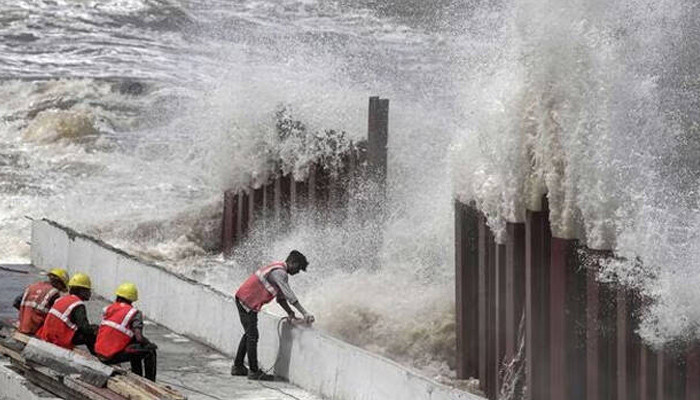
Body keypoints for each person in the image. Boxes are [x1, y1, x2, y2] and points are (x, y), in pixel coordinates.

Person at [232, 250, 314, 381]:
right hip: (247, 301)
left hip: (244, 299)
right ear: (293, 263)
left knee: (249, 334)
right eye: (298, 268)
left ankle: (238, 366)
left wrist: (290, 313)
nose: (298, 272)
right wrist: (305, 313)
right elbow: (289, 295)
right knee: (252, 336)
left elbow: (281, 299)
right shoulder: (280, 273)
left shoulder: (277, 270)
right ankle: (253, 371)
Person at [95, 282, 158, 382]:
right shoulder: (134, 313)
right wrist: (149, 344)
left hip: (99, 353)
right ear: (132, 299)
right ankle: (150, 381)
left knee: (135, 347)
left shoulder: (109, 308)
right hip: (111, 356)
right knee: (149, 350)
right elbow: (139, 338)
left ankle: (137, 374)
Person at [36, 273, 97, 354]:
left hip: (47, 335)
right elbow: (85, 328)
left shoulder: (62, 299)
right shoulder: (78, 304)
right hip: (59, 338)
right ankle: (97, 356)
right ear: (81, 291)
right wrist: (96, 330)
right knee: (91, 333)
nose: (90, 293)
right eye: (88, 290)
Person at [13, 268, 69, 335]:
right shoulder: (54, 293)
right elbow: (55, 316)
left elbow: (16, 302)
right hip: (37, 330)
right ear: (59, 283)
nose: (60, 290)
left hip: (22, 326)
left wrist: (27, 314)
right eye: (61, 287)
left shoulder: (32, 287)